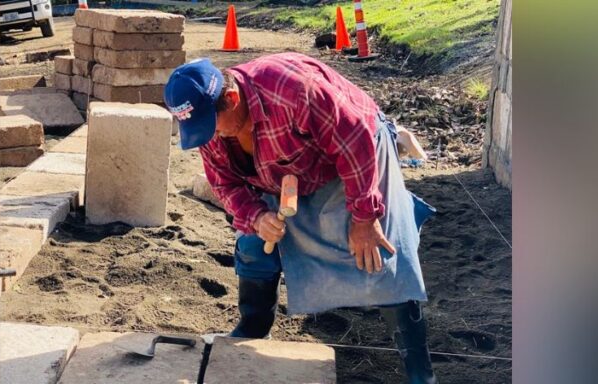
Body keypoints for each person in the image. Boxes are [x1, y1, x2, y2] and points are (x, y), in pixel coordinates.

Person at [164, 53, 438, 384]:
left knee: (382, 254)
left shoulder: (295, 92)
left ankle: (420, 372)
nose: (210, 136)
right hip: (282, 169)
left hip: (356, 153)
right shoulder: (213, 126)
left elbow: (355, 141)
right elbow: (224, 183)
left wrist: (364, 218)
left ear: (232, 99)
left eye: (211, 125)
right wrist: (256, 215)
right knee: (253, 245)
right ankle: (252, 329)